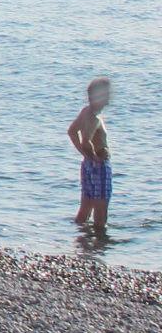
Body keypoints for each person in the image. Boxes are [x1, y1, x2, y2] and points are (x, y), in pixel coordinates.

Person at [68, 76, 113, 231]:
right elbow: (86, 140)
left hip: (88, 165)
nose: (109, 98)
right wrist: (94, 156)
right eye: (107, 94)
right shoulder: (94, 117)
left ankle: (80, 240)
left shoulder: (85, 112)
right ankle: (100, 243)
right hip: (98, 166)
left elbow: (72, 132)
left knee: (85, 207)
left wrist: (86, 156)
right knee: (101, 209)